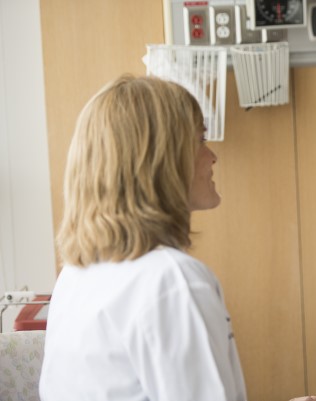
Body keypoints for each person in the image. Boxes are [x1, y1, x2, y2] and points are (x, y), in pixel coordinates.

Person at [39, 75, 246, 400]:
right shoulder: (172, 282)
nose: (212, 157)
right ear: (163, 158)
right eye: (201, 139)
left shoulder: (75, 275)